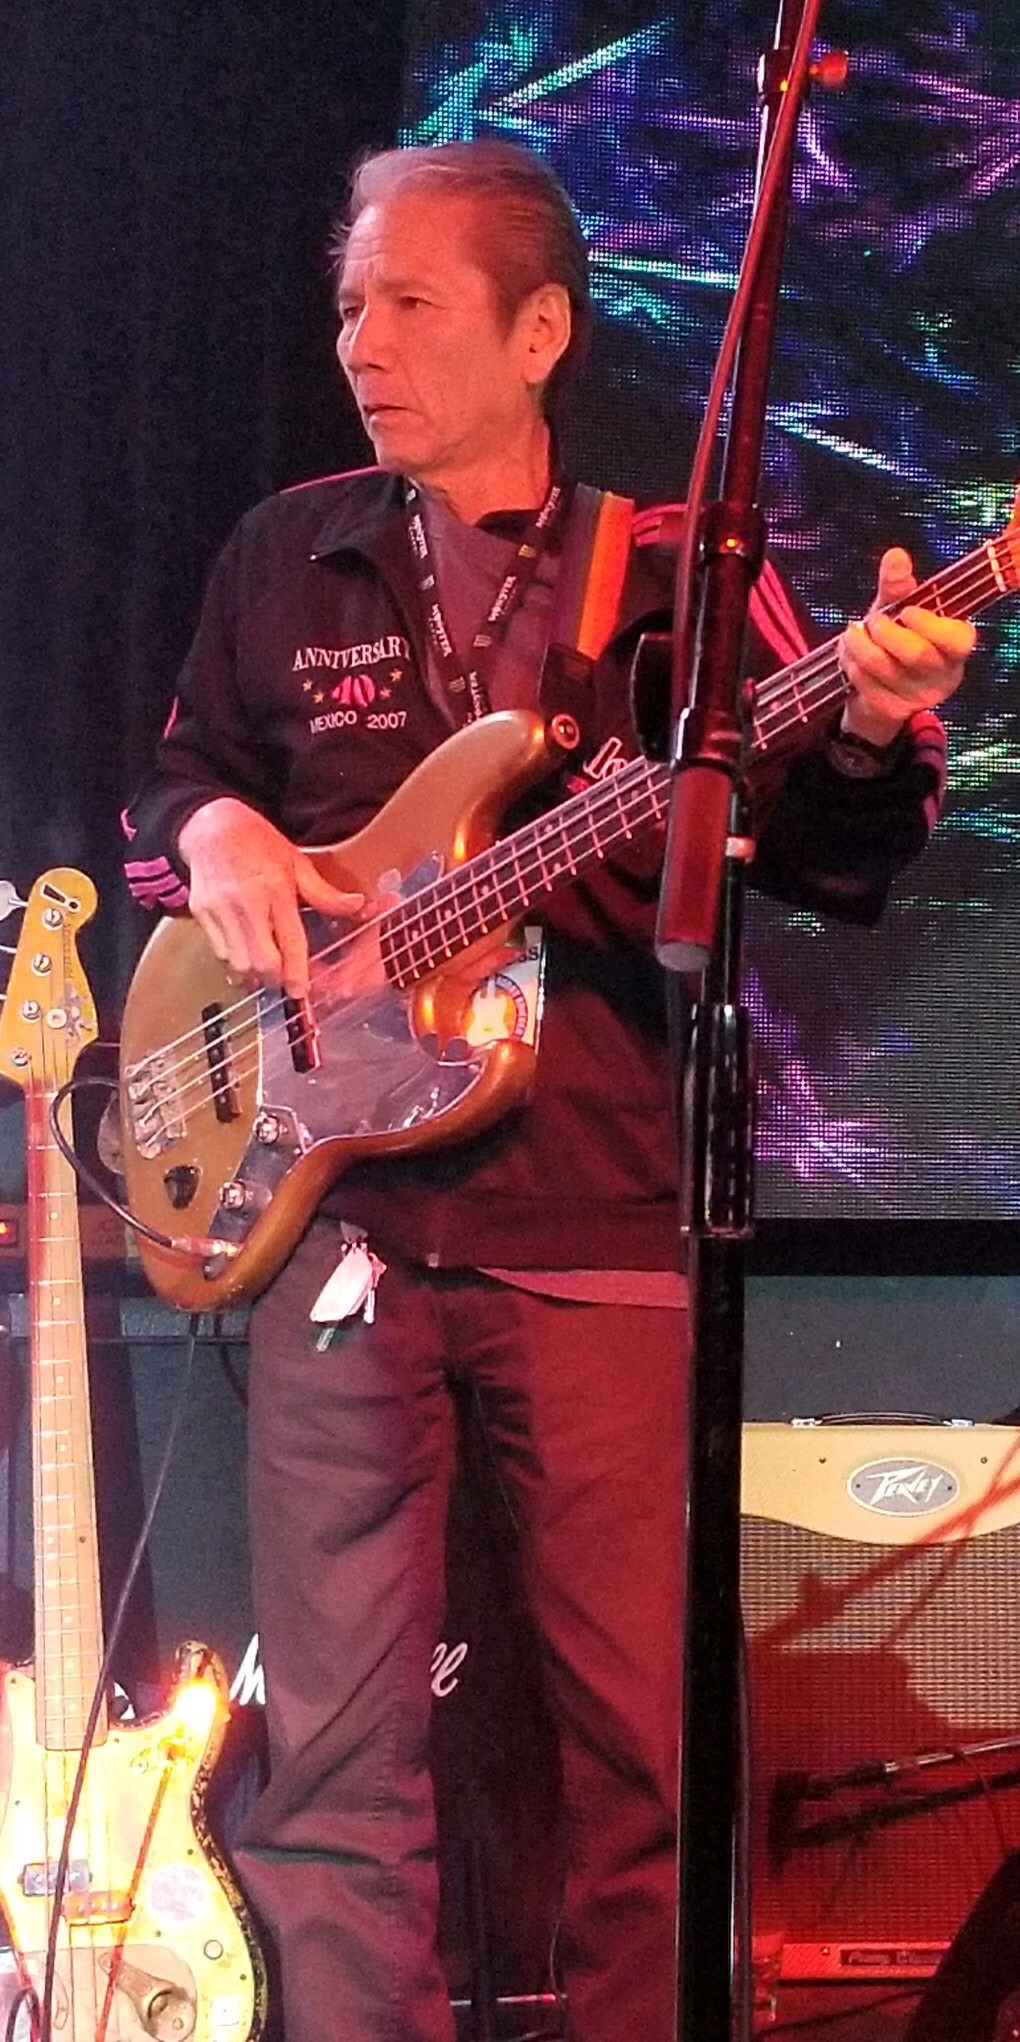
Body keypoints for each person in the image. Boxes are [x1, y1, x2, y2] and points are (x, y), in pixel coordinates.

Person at [122, 139, 975, 2042]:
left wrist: (865, 717)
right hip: (337, 1223)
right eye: (351, 302)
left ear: (540, 333)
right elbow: (171, 782)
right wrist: (224, 829)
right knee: (330, 1768)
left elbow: (831, 854)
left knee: (642, 1751)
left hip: (594, 1221)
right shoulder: (284, 553)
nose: (361, 341)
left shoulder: (672, 572)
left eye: (410, 303)